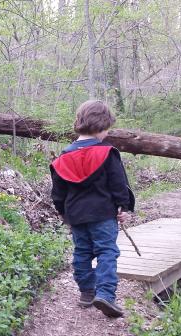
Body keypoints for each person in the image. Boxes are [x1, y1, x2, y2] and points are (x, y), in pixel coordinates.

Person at [50, 100, 135, 318]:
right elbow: (118, 184)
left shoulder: (63, 157)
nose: (107, 133)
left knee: (82, 251)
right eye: (107, 128)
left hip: (76, 215)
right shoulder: (107, 153)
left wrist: (63, 213)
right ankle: (105, 294)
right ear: (100, 126)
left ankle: (87, 292)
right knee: (107, 251)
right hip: (103, 214)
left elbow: (58, 193)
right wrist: (123, 206)